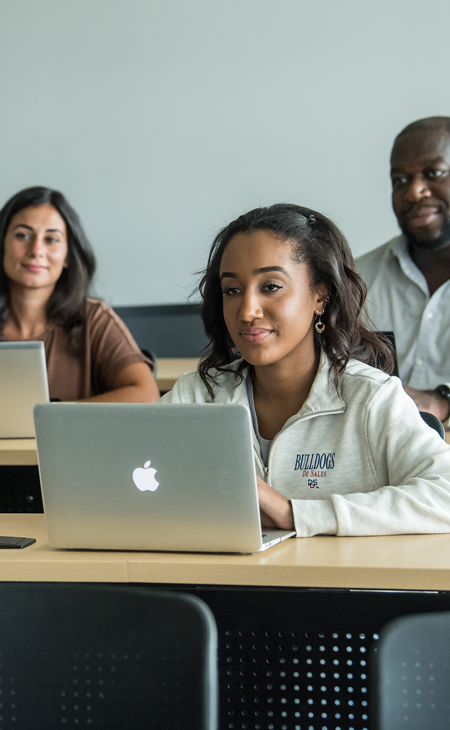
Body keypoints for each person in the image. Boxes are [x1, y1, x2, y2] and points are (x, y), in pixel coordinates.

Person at [160, 203, 450, 537]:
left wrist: (295, 514)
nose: (247, 310)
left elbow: (444, 494)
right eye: (232, 290)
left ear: (320, 297)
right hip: (218, 586)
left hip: (337, 588)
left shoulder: (372, 399)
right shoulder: (194, 397)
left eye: (270, 286)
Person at [0, 186, 160, 402]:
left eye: (51, 239)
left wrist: (52, 418)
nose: (36, 249)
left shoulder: (93, 318)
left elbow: (146, 394)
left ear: (67, 256)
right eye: (23, 235)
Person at [357, 116, 450, 423]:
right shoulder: (354, 280)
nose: (414, 192)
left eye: (433, 173)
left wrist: (442, 400)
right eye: (400, 180)